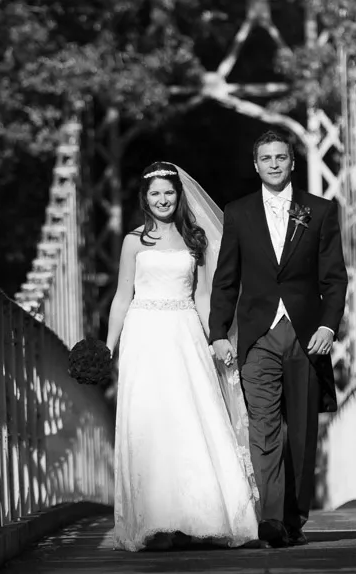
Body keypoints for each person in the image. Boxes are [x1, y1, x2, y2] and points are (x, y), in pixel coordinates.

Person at [105, 161, 259, 552]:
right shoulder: (133, 242)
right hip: (143, 336)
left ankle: (200, 517)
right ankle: (155, 522)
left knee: (192, 417)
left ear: (179, 196)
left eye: (168, 193)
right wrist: (108, 345)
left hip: (185, 333)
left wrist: (218, 337)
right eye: (155, 193)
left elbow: (204, 296)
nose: (162, 199)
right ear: (145, 198)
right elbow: (123, 295)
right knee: (150, 423)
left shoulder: (197, 241)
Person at [209, 130, 348, 548]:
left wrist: (328, 326)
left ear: (292, 162)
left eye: (281, 157)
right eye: (266, 158)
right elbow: (225, 280)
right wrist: (218, 333)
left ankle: (293, 519)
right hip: (257, 336)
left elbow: (334, 278)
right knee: (264, 428)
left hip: (307, 336)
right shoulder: (238, 212)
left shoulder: (320, 211)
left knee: (302, 434)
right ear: (256, 165)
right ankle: (270, 520)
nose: (273, 164)